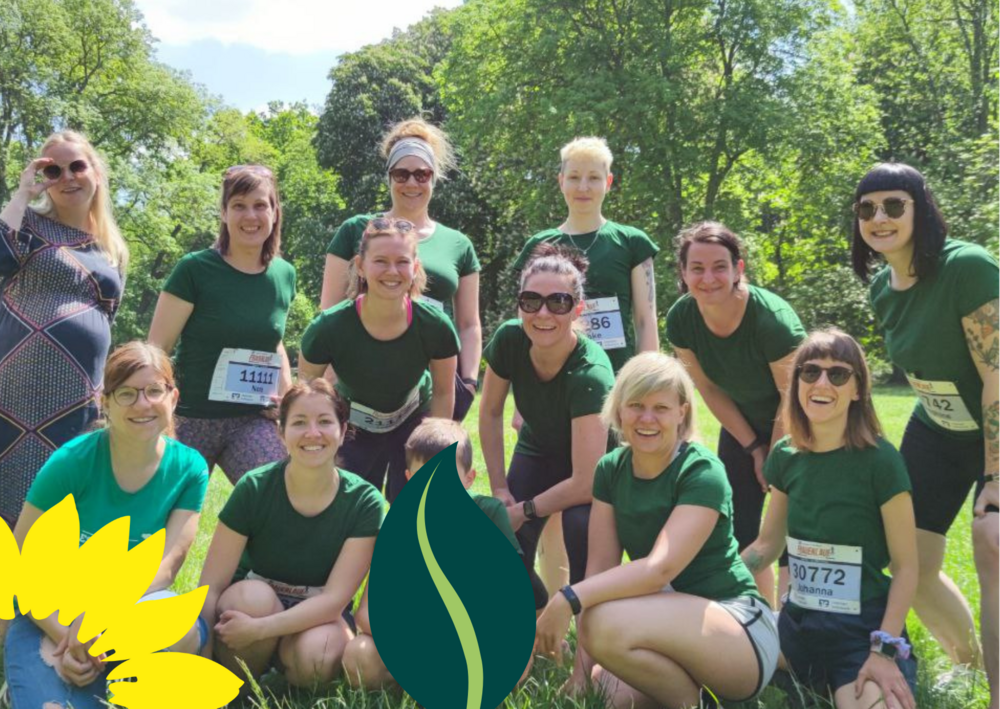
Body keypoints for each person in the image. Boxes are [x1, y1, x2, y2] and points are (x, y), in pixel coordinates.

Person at [534, 352, 779, 709]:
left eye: (661, 408)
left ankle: (689, 704)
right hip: (669, 625)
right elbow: (599, 569)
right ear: (619, 410)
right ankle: (694, 698)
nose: (647, 418)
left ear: (682, 412)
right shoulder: (611, 469)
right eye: (635, 405)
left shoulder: (701, 470)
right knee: (607, 695)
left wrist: (565, 598)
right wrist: (581, 675)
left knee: (603, 622)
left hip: (738, 630)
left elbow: (659, 569)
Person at [851, 162, 998, 706]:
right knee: (908, 558)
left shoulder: (968, 267)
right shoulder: (880, 289)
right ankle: (970, 663)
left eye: (894, 205)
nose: (880, 218)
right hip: (936, 428)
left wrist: (995, 476)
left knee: (993, 544)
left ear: (921, 209)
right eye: (867, 209)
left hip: (993, 421)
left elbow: (997, 373)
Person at [3, 342, 209, 709]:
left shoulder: (190, 469)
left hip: (128, 612)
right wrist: (67, 635)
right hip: (52, 615)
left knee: (184, 629)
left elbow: (166, 566)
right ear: (106, 402)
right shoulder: (70, 462)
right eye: (127, 393)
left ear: (173, 397)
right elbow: (18, 567)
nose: (142, 404)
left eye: (154, 391)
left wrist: (99, 629)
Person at [512, 135, 660, 596]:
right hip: (551, 397)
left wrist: (647, 391)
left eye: (593, 177)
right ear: (560, 182)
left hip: (612, 401)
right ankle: (540, 608)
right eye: (574, 176)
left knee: (596, 510)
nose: (583, 186)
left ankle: (604, 605)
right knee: (533, 513)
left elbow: (645, 317)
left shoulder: (631, 242)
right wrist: (523, 398)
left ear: (608, 182)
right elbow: (523, 318)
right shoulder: (541, 243)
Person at [742, 329, 919, 709]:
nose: (822, 382)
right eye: (810, 372)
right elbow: (767, 546)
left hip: (861, 633)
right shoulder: (785, 455)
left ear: (857, 390)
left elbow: (906, 568)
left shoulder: (881, 462)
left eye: (838, 374)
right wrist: (712, 577)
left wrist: (884, 650)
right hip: (795, 629)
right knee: (695, 650)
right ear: (797, 384)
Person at [197, 379, 384, 688]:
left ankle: (282, 681)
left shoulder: (364, 501)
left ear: (342, 429)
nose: (313, 433)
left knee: (320, 655)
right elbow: (211, 586)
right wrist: (202, 654)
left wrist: (260, 630)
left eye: (325, 421)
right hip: (250, 608)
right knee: (251, 597)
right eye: (299, 422)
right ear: (281, 432)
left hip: (317, 617)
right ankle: (236, 688)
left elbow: (335, 600)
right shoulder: (254, 487)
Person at [666, 221, 805, 598]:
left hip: (801, 423)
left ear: (738, 269)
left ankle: (793, 621)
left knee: (790, 524)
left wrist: (774, 456)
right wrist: (752, 448)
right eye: (696, 268)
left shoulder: (771, 320)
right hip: (741, 423)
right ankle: (757, 613)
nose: (707, 278)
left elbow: (793, 397)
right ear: (683, 272)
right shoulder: (681, 319)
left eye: (719, 266)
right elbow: (708, 387)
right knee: (738, 522)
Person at [0, 131, 127, 526]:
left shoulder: (111, 248)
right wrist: (22, 193)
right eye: (53, 170)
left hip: (78, 394)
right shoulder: (28, 225)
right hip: (17, 385)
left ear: (97, 173)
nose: (68, 176)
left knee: (64, 493)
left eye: (77, 166)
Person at [480, 244, 614, 609]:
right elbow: (490, 412)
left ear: (577, 310)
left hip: (596, 468)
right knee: (499, 542)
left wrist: (524, 509)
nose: (543, 313)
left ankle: (590, 638)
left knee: (579, 525)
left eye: (558, 302)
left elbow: (586, 481)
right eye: (530, 301)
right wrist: (500, 488)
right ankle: (538, 622)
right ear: (519, 305)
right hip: (537, 448)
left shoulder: (591, 375)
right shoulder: (509, 339)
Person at [342, 417, 521, 691]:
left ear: (469, 478)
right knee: (359, 655)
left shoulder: (489, 514)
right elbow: (365, 612)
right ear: (409, 479)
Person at [320, 118, 481, 422]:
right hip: (361, 387)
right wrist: (330, 378)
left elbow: (469, 324)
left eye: (422, 174)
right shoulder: (356, 230)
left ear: (434, 179)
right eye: (401, 173)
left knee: (431, 470)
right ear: (389, 177)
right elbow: (330, 310)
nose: (411, 183)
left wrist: (469, 382)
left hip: (434, 389)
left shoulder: (459, 244)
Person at [148, 165, 296, 486]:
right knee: (163, 512)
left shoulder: (284, 275)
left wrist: (288, 400)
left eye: (260, 205)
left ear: (274, 212)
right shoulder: (195, 269)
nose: (250, 216)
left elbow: (275, 341)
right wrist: (155, 412)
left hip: (251, 420)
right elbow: (157, 350)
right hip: (189, 417)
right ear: (224, 213)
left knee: (279, 490)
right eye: (239, 206)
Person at [299, 217, 459, 502]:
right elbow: (307, 390)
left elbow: (445, 392)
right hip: (353, 427)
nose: (392, 271)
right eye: (381, 261)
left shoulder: (436, 326)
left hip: (414, 419)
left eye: (402, 262)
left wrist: (436, 450)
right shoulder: (328, 327)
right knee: (348, 507)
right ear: (360, 266)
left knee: (412, 506)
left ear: (416, 268)